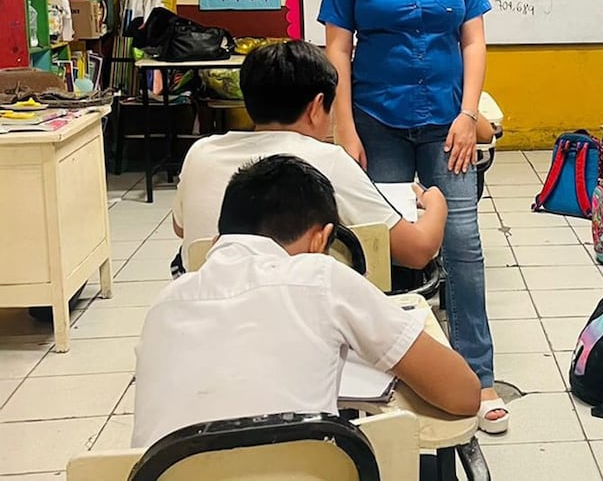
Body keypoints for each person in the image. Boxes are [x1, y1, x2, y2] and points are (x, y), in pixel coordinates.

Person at [317, 0, 505, 433]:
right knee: (390, 247)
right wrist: (344, 130)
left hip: (448, 124)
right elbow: (337, 49)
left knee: (463, 242)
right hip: (377, 122)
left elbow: (473, 40)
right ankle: (394, 372)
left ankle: (477, 376)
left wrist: (468, 115)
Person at [134, 155, 481, 448]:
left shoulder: (164, 305)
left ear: (217, 240)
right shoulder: (321, 277)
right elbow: (463, 394)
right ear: (321, 240)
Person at [172, 40, 447, 275]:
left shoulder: (201, 152)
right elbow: (417, 251)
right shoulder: (327, 161)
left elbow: (181, 228)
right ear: (316, 107)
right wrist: (436, 203)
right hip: (296, 312)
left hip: (205, 308)